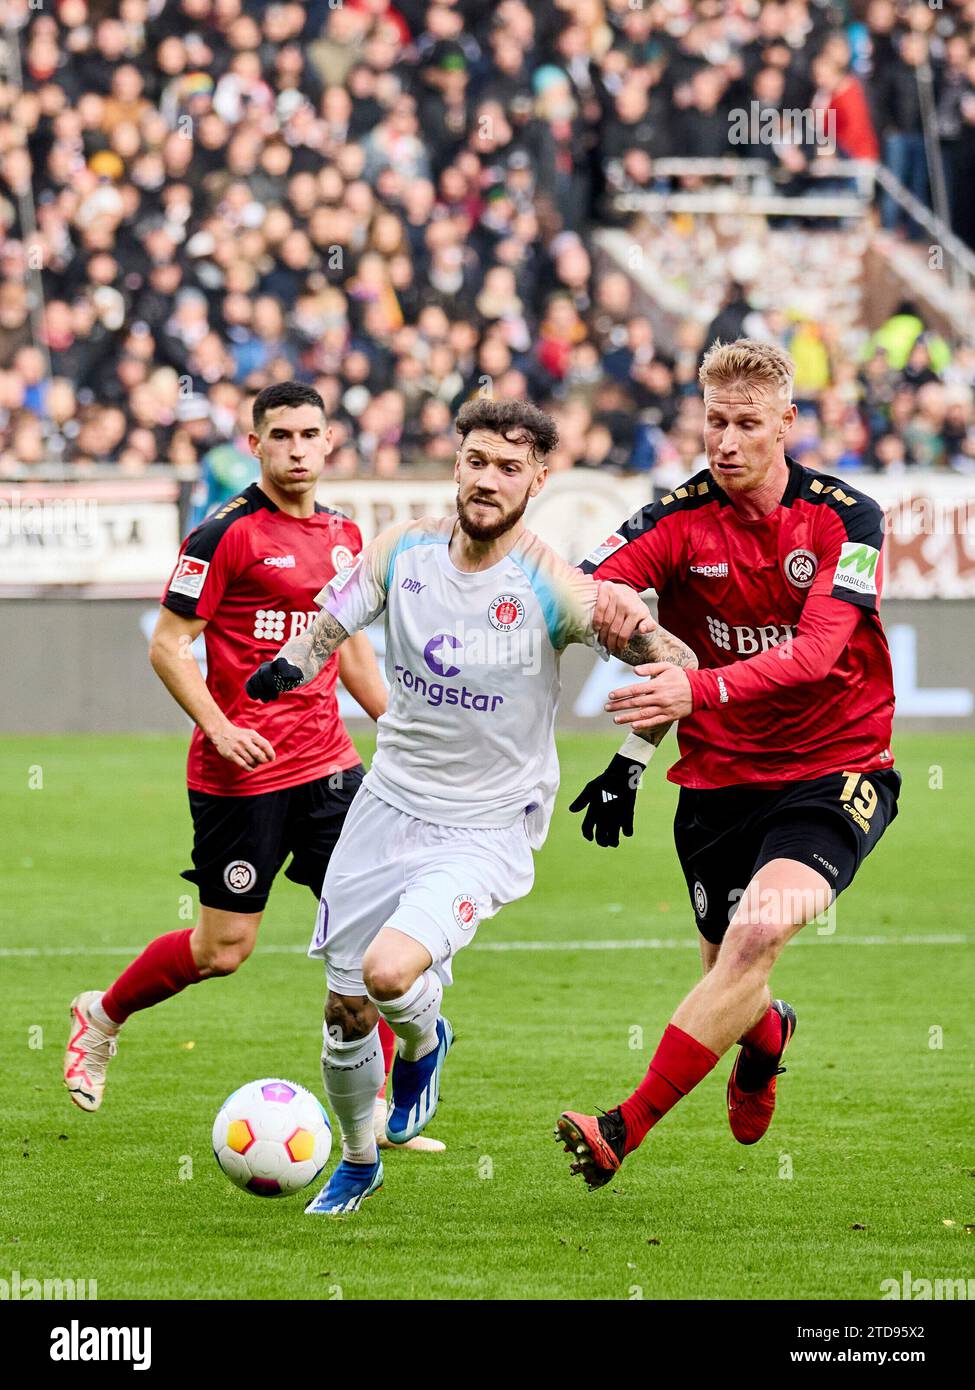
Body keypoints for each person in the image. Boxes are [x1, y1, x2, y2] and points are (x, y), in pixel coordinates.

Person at [245, 397, 697, 1216]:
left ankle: (423, 1041)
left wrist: (630, 764)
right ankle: (356, 1160)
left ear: (539, 480)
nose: (488, 481)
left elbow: (679, 660)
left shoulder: (557, 588)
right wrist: (286, 666)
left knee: (389, 975)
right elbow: (329, 623)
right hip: (386, 803)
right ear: (456, 464)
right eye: (477, 462)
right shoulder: (402, 551)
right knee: (345, 1009)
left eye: (509, 468)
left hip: (485, 825)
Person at [556, 339, 899, 1188]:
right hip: (716, 782)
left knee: (755, 937)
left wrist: (690, 689)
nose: (727, 442)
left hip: (835, 769)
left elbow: (819, 653)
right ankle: (766, 1036)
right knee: (730, 984)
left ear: (787, 423)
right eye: (714, 422)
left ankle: (618, 1128)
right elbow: (585, 582)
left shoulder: (846, 517)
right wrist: (607, 609)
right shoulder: (672, 517)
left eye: (748, 424)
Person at [64, 381, 441, 1151]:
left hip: (330, 769)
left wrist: (396, 727)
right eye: (282, 436)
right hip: (240, 776)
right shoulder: (223, 534)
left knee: (377, 942)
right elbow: (168, 646)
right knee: (223, 951)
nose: (297, 449)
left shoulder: (343, 535)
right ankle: (100, 1016)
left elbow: (350, 643)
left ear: (330, 442)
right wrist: (220, 724)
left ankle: (379, 1116)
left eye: (310, 435)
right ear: (255, 444)